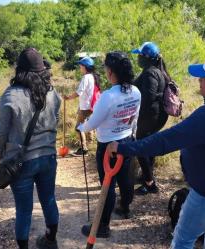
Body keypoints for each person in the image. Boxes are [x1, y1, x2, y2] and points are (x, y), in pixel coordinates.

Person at [106, 53, 205, 249]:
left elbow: (165, 141)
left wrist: (124, 147)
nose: (199, 80)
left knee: (183, 239)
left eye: (204, 77)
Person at [0, 48, 61, 249]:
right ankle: (51, 240)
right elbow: (55, 120)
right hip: (48, 156)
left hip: (20, 161)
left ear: (19, 70)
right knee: (49, 198)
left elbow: (1, 132)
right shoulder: (52, 92)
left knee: (24, 209)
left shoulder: (11, 95)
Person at [78, 51, 141, 237]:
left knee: (107, 185)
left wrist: (82, 126)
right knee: (125, 178)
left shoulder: (109, 96)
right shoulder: (136, 91)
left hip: (108, 147)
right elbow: (134, 117)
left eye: (106, 68)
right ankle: (125, 208)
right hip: (127, 140)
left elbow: (93, 123)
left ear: (111, 71)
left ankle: (103, 226)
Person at [130, 42, 170, 195]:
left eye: (140, 55)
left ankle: (149, 183)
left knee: (141, 147)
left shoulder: (150, 73)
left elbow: (149, 97)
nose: (138, 58)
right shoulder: (157, 71)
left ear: (147, 57)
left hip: (150, 117)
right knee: (150, 147)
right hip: (156, 116)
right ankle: (147, 176)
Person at [64, 56, 100, 155]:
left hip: (85, 107)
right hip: (91, 106)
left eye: (81, 66)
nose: (80, 68)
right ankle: (90, 144)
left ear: (85, 67)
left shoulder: (86, 77)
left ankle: (84, 148)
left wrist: (68, 97)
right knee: (88, 125)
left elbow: (79, 92)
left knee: (79, 127)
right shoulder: (93, 76)